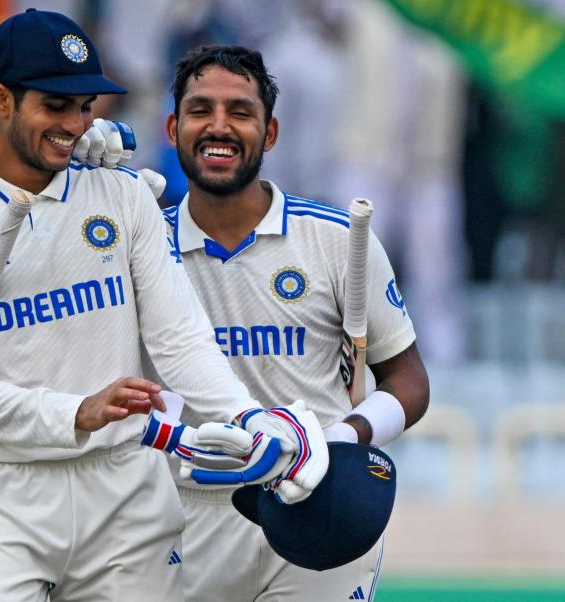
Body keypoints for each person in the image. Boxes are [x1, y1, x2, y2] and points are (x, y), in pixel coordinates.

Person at [0, 11, 325, 602]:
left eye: (86, 105)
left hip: (126, 493)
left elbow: (179, 338)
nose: (75, 124)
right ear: (0, 99)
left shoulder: (120, 192)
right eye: (55, 106)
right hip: (2, 495)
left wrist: (247, 416)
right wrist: (77, 411)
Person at [159, 45, 430, 601]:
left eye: (239, 111)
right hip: (183, 515)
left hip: (317, 500)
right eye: (200, 109)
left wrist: (340, 437)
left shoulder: (335, 239)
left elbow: (408, 382)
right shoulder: (143, 246)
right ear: (173, 126)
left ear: (271, 131)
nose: (219, 127)